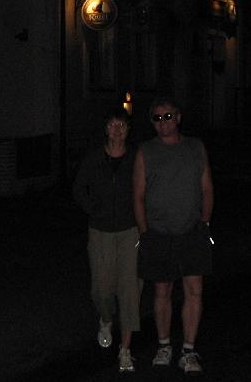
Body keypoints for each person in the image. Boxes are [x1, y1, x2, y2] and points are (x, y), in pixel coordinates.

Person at [133, 96, 214, 375]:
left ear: (178, 117)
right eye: (157, 118)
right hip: (159, 233)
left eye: (168, 116)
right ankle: (164, 345)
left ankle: (188, 350)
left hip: (192, 231)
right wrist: (144, 232)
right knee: (162, 291)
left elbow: (207, 187)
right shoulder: (146, 151)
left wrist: (205, 222)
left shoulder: (195, 147)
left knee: (194, 291)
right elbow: (138, 195)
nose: (163, 122)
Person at [72, 107, 142, 373]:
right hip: (100, 231)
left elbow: (147, 188)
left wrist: (142, 218)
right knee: (101, 289)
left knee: (130, 289)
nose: (117, 130)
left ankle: (125, 349)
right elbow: (78, 188)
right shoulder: (94, 158)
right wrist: (94, 208)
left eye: (122, 126)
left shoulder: (136, 158)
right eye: (113, 125)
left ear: (128, 130)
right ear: (106, 129)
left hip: (130, 230)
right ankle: (105, 318)